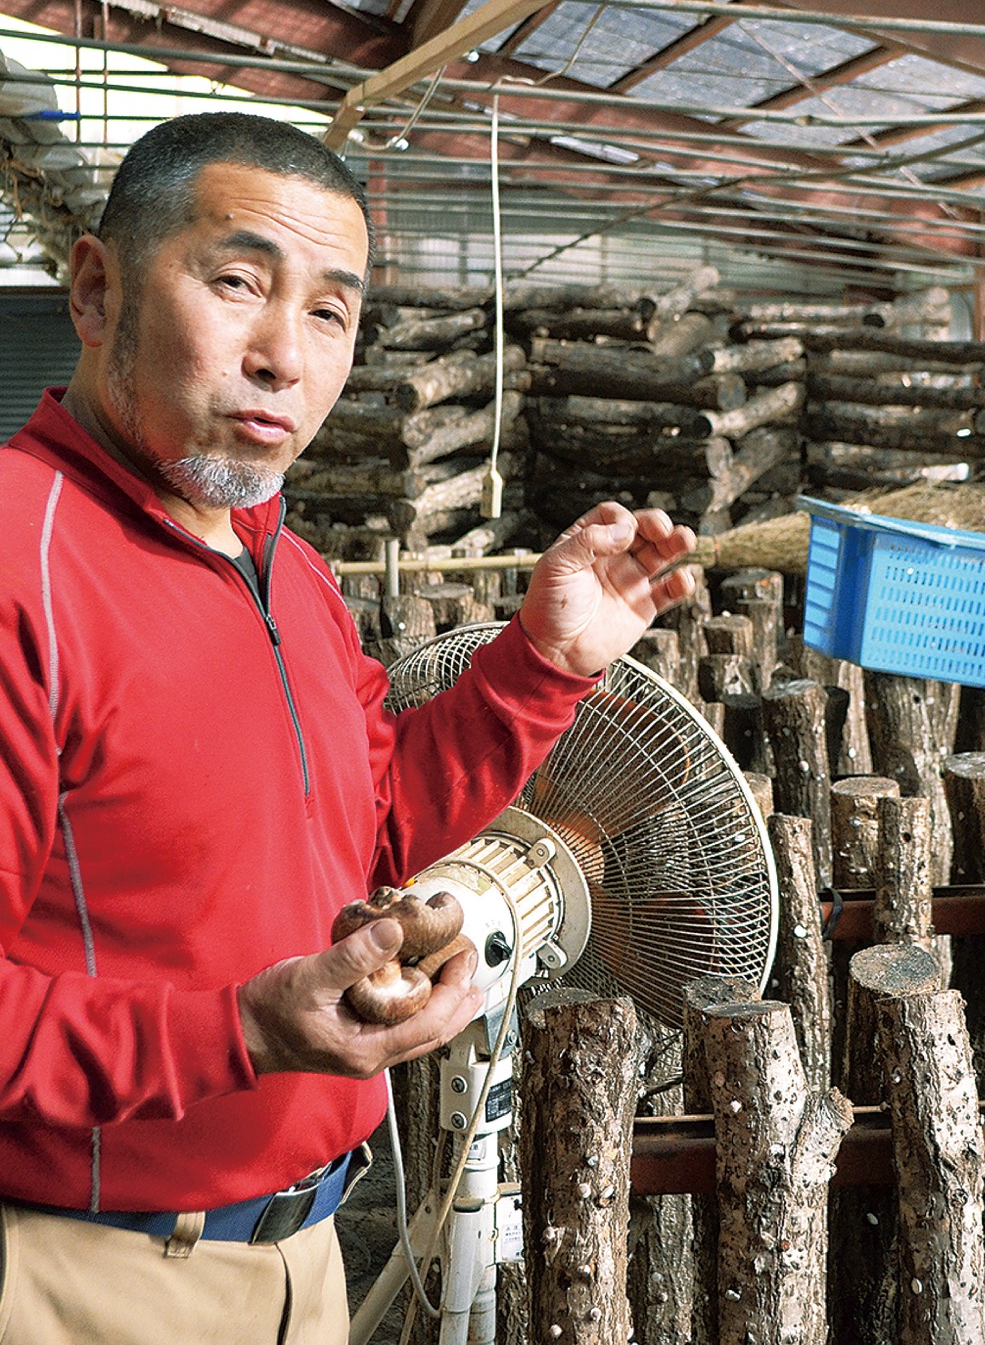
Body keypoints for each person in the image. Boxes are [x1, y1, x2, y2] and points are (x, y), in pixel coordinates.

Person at [0, 111, 696, 1344]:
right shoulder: (21, 562)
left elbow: (370, 828)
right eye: (236, 283)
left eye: (329, 311)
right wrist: (242, 1030)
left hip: (301, 1257)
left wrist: (542, 667)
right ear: (98, 290)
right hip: (81, 1276)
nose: (284, 355)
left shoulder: (288, 570)